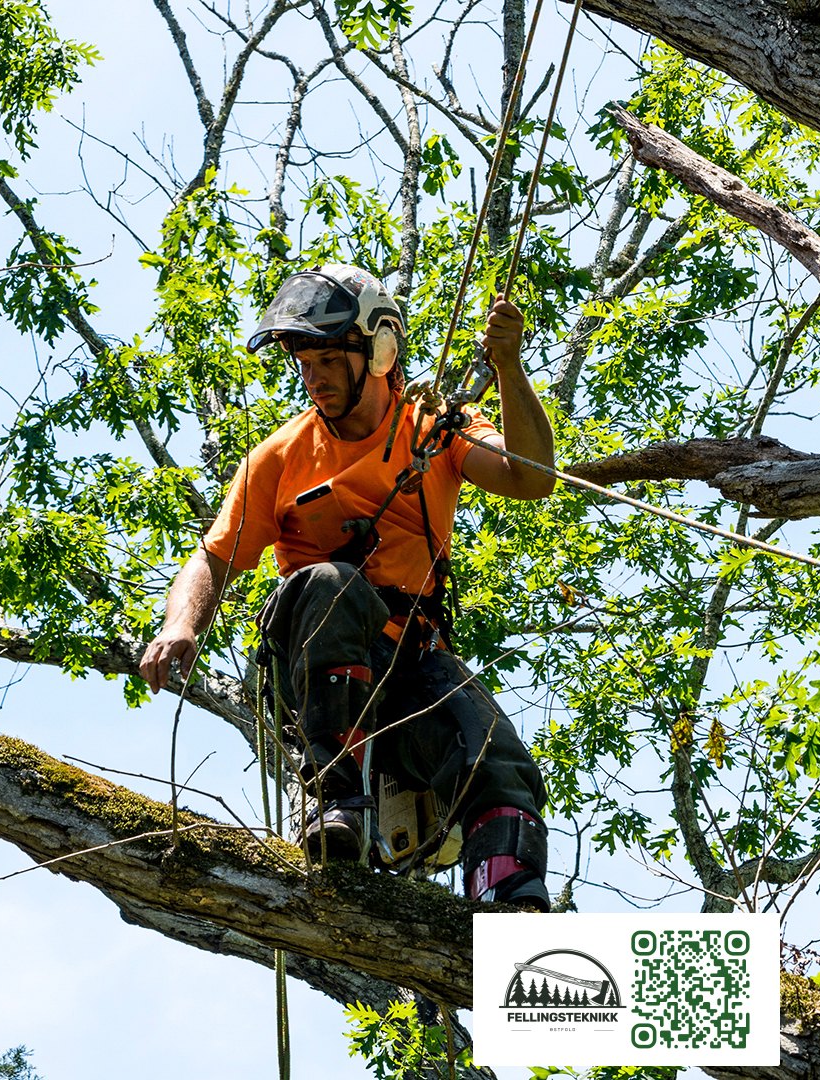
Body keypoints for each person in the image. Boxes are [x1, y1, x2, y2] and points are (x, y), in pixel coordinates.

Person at [138, 263, 555, 909]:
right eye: (304, 361)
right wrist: (180, 626)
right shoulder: (278, 458)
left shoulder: (434, 426)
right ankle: (335, 797)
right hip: (316, 673)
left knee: (499, 762)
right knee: (334, 583)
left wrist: (508, 368)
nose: (313, 376)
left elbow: (529, 478)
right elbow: (212, 559)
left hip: (408, 664)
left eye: (329, 358)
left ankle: (509, 905)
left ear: (381, 350)